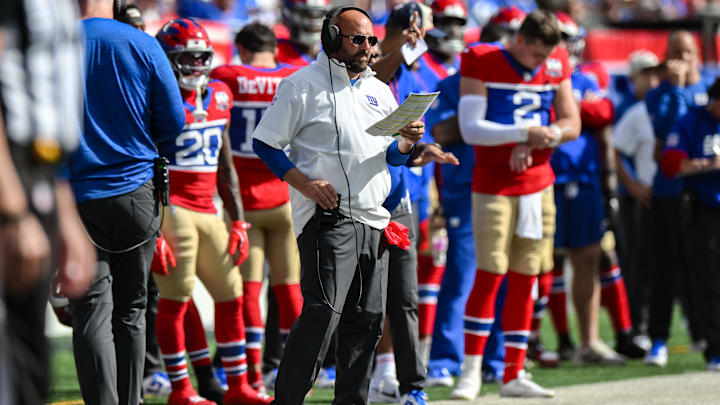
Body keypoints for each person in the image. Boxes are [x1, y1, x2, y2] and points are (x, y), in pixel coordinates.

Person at [252, 6, 424, 404]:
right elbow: (266, 143)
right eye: (357, 39)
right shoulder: (300, 85)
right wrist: (306, 184)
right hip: (329, 218)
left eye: (370, 40)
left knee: (366, 323)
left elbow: (391, 158)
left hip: (374, 220)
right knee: (322, 315)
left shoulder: (380, 89)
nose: (367, 47)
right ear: (331, 37)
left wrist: (407, 141)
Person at [451, 10, 580, 399]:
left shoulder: (556, 62)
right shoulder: (483, 58)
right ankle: (471, 371)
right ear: (519, 41)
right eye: (535, 54)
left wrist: (546, 136)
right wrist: (526, 132)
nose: (541, 63)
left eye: (547, 56)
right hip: (494, 186)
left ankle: (514, 372)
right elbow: (470, 128)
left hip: (539, 185)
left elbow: (571, 121)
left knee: (528, 278)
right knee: (490, 273)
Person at [68, 0, 186, 404]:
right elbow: (174, 122)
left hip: (75, 199)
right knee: (132, 310)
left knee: (90, 311)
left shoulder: (51, 43)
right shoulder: (142, 42)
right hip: (136, 193)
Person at [152, 18, 274, 405]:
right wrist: (154, 230)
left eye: (200, 57)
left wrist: (237, 219)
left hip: (210, 209)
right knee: (176, 298)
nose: (194, 65)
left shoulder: (219, 93)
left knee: (231, 294)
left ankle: (238, 386)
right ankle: (181, 388)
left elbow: (226, 165)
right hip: (174, 209)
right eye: (185, 57)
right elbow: (146, 166)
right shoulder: (154, 97)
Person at [0, 2, 94, 404]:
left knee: (28, 362)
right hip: (12, 174)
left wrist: (66, 212)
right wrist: (13, 209)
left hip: (40, 173)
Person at [211, 22, 302, 393]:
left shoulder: (227, 76)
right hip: (285, 196)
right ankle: (297, 372)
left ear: (242, 50)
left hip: (244, 203)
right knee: (290, 289)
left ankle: (250, 375)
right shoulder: (292, 76)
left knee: (248, 290)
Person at [546, 12, 627, 366]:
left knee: (588, 257)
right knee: (538, 262)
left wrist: (568, 106)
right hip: (547, 177)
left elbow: (604, 112)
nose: (567, 45)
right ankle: (535, 341)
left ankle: (588, 340)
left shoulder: (587, 76)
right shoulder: (536, 78)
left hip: (585, 178)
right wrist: (575, 108)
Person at [644, 30, 714, 365]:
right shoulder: (659, 93)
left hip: (704, 197)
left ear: (698, 54)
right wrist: (677, 88)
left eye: (686, 52)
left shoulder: (711, 86)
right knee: (664, 267)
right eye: (674, 52)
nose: (680, 58)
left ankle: (705, 335)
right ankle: (658, 339)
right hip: (669, 193)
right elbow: (665, 132)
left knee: (703, 271)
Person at [659, 77, 720, 371]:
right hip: (704, 208)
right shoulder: (691, 121)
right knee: (707, 280)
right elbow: (671, 164)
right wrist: (708, 164)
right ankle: (715, 348)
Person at [277, 0, 330, 65]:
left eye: (320, 14)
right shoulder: (273, 51)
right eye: (306, 13)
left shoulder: (334, 53)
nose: (313, 23)